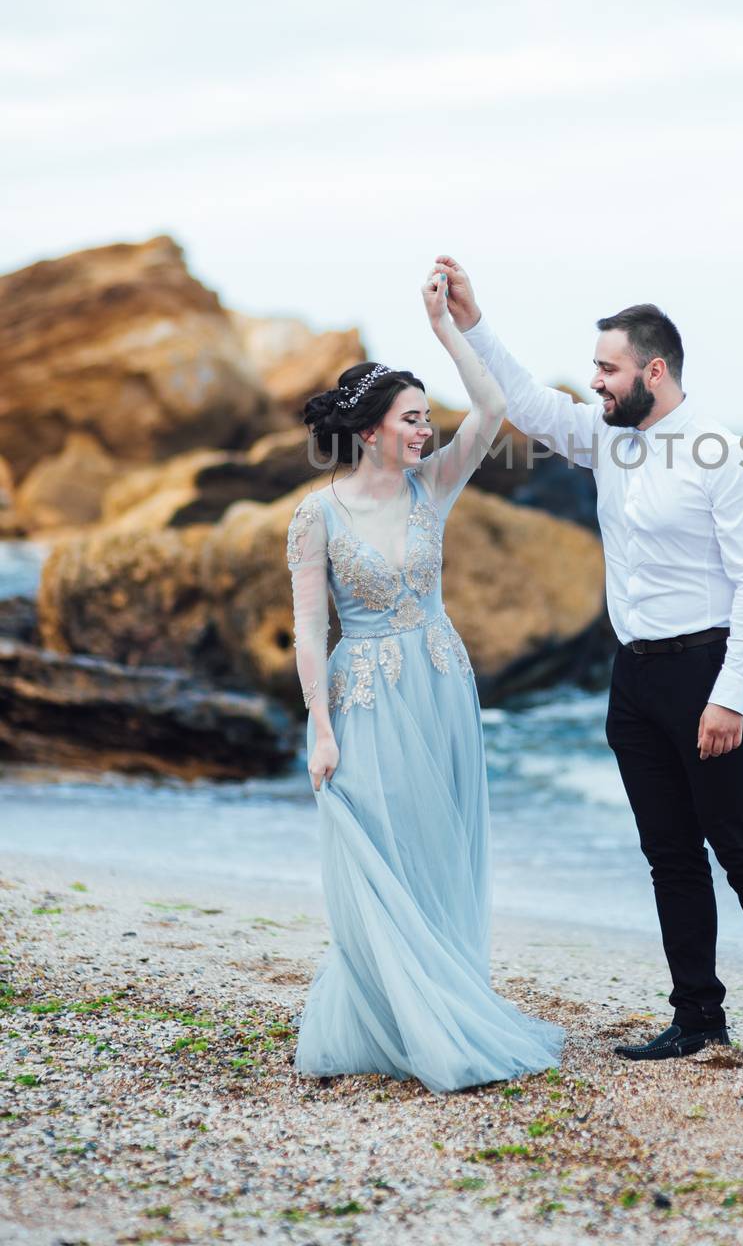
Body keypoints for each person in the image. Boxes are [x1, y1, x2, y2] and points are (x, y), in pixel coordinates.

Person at [434, 254, 743, 1074]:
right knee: (669, 854)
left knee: (740, 842)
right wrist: (472, 321)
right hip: (635, 679)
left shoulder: (724, 453)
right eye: (595, 370)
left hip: (710, 671)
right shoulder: (607, 442)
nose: (596, 384)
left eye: (608, 370)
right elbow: (534, 406)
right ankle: (698, 1020)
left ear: (654, 369)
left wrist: (729, 697)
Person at [285, 264, 564, 1093]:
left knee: (438, 850)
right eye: (411, 418)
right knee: (382, 849)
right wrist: (321, 726)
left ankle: (444, 999)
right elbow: (308, 627)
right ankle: (399, 1015)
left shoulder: (432, 487)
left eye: (424, 418)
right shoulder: (316, 515)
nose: (425, 429)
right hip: (364, 696)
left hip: (440, 684)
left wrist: (447, 330)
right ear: (370, 430)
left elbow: (491, 412)